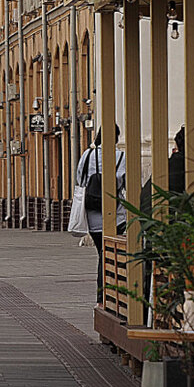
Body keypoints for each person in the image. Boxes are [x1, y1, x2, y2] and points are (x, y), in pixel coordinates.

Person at [76, 125, 126, 305]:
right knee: (115, 256)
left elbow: (80, 179)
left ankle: (102, 299)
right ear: (117, 138)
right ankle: (113, 296)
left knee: (102, 254)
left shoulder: (87, 155)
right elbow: (126, 184)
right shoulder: (122, 157)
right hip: (117, 215)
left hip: (93, 216)